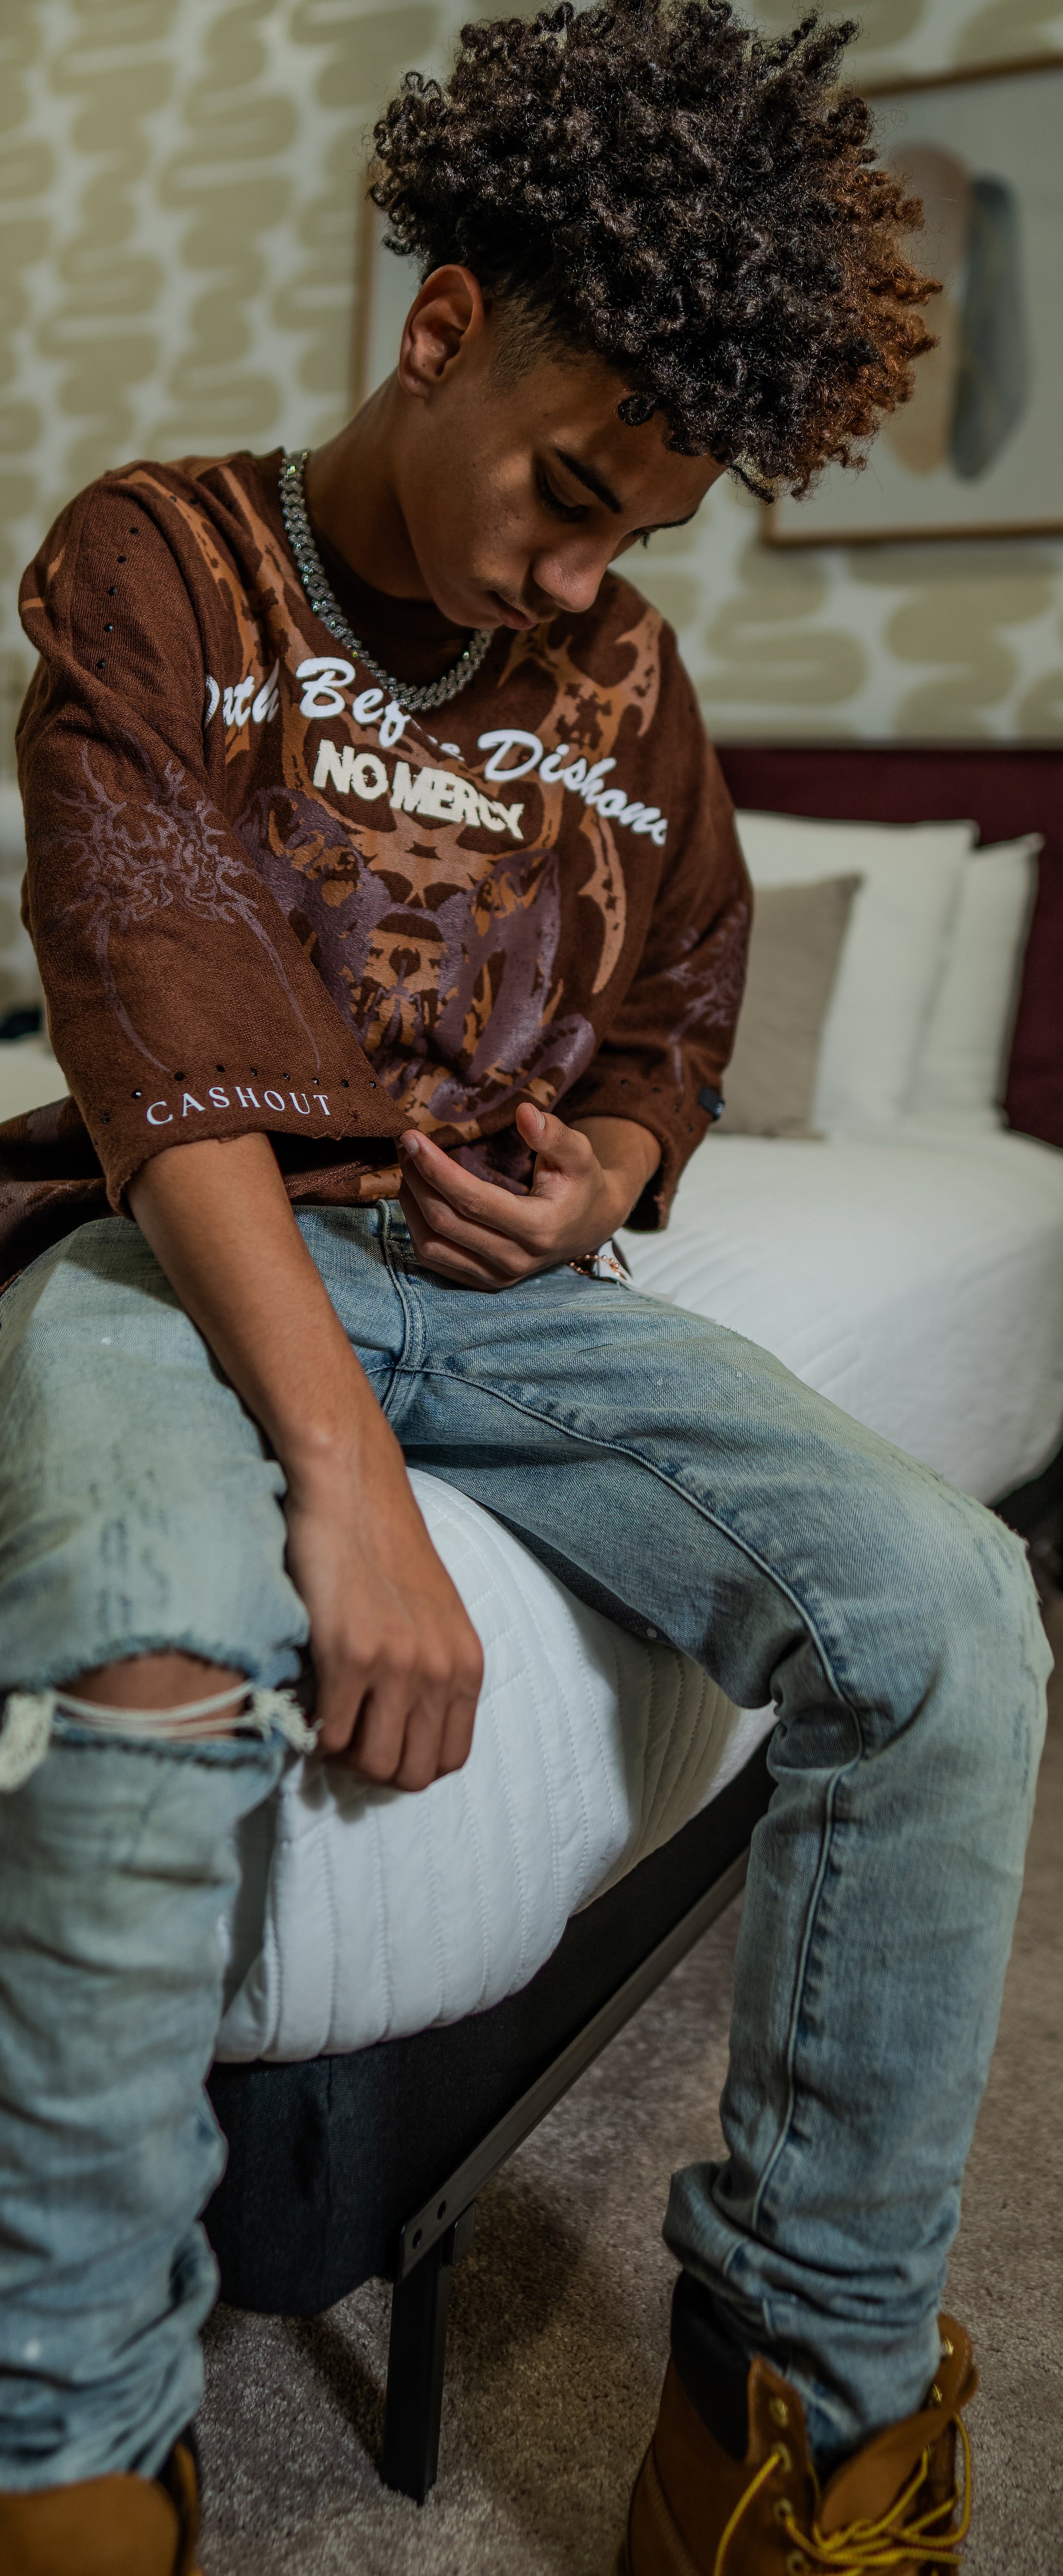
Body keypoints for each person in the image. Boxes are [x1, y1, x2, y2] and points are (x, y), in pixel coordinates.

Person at [0, 5, 1048, 2569]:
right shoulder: (163, 563)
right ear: (440, 327)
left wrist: (610, 1181)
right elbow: (158, 1035)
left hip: (497, 1286)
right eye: (569, 493)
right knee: (147, 1655)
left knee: (952, 1618)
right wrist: (343, 1486)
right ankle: (75, 2449)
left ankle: (791, 2428)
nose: (585, 576)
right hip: (189, 1244)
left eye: (638, 531)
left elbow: (675, 1016)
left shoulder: (628, 683)